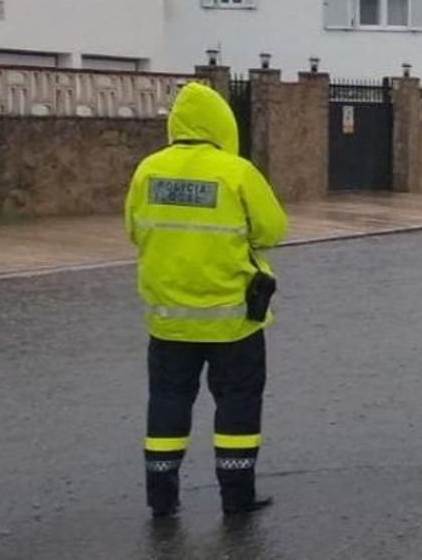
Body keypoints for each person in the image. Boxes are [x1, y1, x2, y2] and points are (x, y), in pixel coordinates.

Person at [124, 81, 287, 518]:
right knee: (237, 403)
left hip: (169, 321)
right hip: (233, 320)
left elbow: (134, 229)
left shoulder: (147, 171)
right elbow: (273, 229)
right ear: (222, 125)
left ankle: (161, 499)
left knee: (167, 402)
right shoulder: (235, 172)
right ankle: (236, 497)